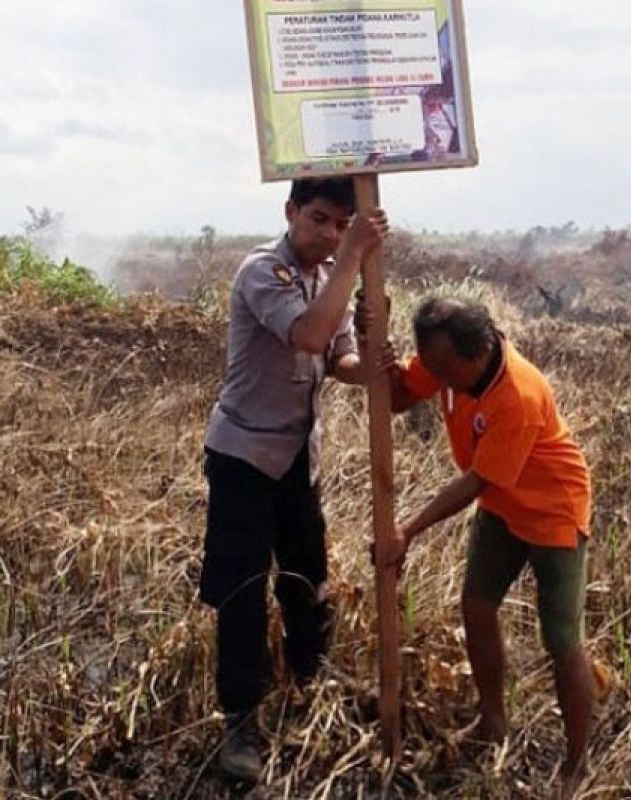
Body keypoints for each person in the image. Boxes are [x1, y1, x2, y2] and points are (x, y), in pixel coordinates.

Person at [200, 176, 388, 782]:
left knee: (308, 579)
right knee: (242, 594)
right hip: (244, 460)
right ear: (290, 213)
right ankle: (240, 720)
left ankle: (309, 682)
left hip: (297, 460)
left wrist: (374, 361)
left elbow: (337, 358)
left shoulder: (329, 274)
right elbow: (308, 334)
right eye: (319, 220)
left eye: (341, 224)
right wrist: (355, 256)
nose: (329, 234)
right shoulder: (264, 272)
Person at [374, 296, 601, 797]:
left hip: (552, 512)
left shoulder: (517, 394)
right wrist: (382, 354)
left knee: (562, 641)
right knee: (476, 607)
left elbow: (476, 482)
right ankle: (493, 721)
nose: (433, 376)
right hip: (503, 505)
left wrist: (407, 530)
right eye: (428, 363)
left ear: (475, 353)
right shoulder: (446, 359)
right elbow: (398, 398)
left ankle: (577, 761)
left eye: (441, 368)